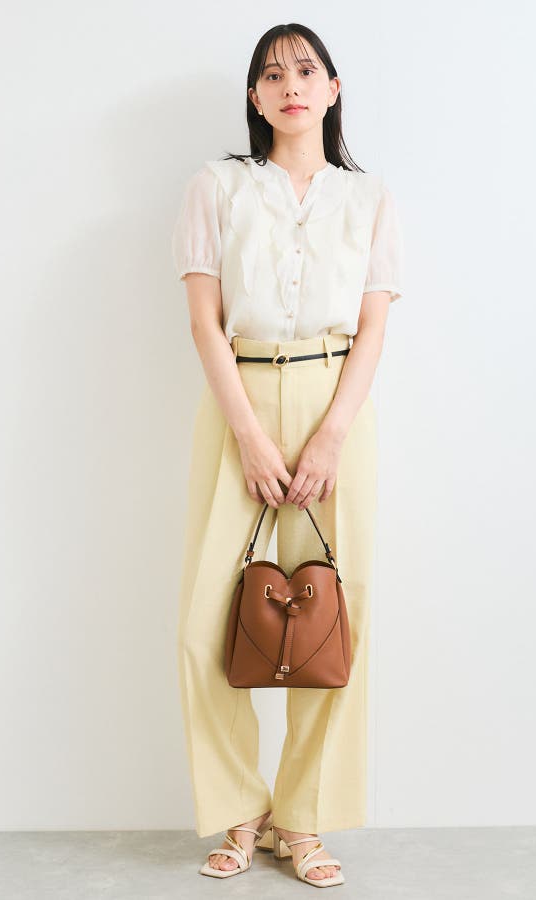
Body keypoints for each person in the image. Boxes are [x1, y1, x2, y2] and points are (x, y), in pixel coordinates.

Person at [171, 23, 403, 888]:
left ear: (333, 88)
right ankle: (242, 810)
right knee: (203, 623)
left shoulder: (369, 196)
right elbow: (205, 321)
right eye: (272, 75)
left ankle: (302, 820)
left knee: (336, 618)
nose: (290, 85)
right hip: (239, 400)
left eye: (306, 70)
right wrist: (248, 434)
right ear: (255, 96)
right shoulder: (217, 186)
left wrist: (332, 433)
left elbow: (373, 327)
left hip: (336, 402)